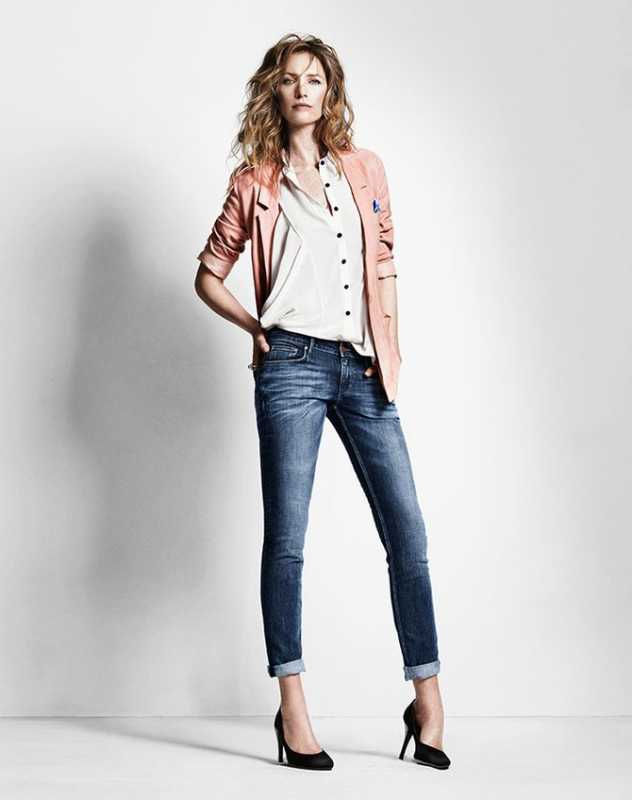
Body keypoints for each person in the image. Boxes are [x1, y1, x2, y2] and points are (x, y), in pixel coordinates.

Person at [194, 33, 450, 771]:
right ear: (273, 93)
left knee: (408, 532)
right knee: (288, 540)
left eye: (314, 78)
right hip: (291, 367)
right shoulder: (254, 182)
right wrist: (255, 328)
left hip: (363, 369)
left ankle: (428, 700)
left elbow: (385, 260)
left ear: (330, 91)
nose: (302, 88)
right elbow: (209, 274)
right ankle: (293, 709)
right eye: (289, 79)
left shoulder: (365, 169)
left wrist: (389, 344)